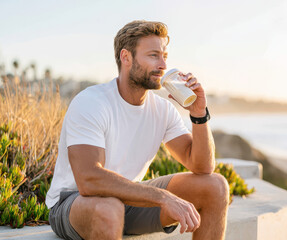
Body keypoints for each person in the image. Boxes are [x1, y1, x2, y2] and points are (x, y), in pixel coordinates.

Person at [45, 20, 229, 240]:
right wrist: (162, 197)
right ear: (126, 58)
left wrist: (199, 114)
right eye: (153, 55)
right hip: (74, 203)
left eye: (165, 56)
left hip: (128, 201)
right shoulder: (91, 102)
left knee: (215, 186)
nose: (163, 65)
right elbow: (89, 179)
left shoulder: (163, 110)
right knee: (109, 209)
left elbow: (202, 166)